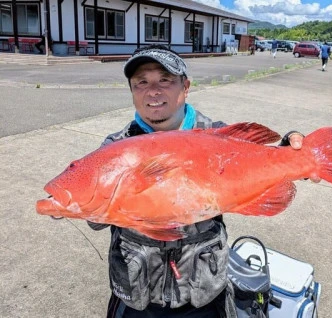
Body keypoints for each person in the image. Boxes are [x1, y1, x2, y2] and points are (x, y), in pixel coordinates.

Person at [88, 44, 306, 318]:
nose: (153, 91)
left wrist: (290, 153)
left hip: (203, 294)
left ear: (185, 86)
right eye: (141, 82)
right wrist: (68, 201)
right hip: (136, 295)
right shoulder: (115, 147)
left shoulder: (217, 135)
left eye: (164, 80)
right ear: (132, 91)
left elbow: (259, 154)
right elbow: (94, 220)